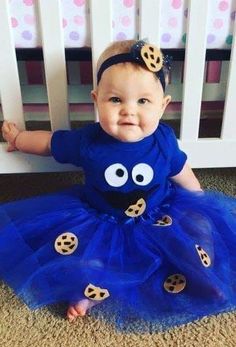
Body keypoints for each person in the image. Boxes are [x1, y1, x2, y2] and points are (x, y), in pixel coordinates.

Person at [1, 39, 236, 330]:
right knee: (91, 257)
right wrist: (19, 139)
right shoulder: (88, 141)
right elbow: (50, 143)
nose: (128, 111)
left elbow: (180, 169)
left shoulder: (163, 141)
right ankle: (90, 295)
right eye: (115, 100)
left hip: (160, 214)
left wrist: (199, 196)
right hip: (102, 220)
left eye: (143, 101)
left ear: (162, 106)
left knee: (198, 228)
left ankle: (204, 275)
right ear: (96, 99)